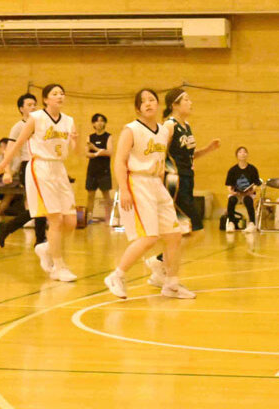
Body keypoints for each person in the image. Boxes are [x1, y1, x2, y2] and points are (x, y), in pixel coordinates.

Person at [104, 89, 195, 300]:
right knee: (149, 237)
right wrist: (123, 189)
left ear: (158, 104)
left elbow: (163, 160)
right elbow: (119, 162)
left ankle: (171, 284)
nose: (148, 103)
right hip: (137, 182)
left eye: (152, 100)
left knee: (174, 235)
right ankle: (117, 276)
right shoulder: (131, 130)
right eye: (143, 101)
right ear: (138, 108)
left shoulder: (163, 131)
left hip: (157, 184)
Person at [0, 84, 79, 282]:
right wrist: (4, 165)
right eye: (55, 94)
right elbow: (17, 144)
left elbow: (75, 151)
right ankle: (58, 266)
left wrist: (76, 141)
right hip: (40, 167)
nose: (60, 96)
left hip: (59, 168)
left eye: (62, 93)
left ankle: (46, 248)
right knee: (55, 219)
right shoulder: (36, 118)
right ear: (46, 99)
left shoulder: (69, 121)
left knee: (71, 222)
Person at [145, 87, 220, 287]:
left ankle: (161, 268)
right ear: (174, 105)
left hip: (186, 180)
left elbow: (188, 156)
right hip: (174, 183)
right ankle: (161, 263)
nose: (190, 102)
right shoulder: (169, 126)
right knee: (197, 231)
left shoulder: (186, 126)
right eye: (186, 99)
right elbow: (158, 152)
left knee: (182, 233)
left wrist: (208, 149)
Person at [0, 93, 47, 248]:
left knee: (41, 205)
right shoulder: (18, 127)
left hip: (44, 165)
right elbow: (9, 150)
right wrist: (7, 171)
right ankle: (39, 239)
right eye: (29, 105)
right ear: (21, 109)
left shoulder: (42, 124)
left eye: (35, 104)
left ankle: (12, 229)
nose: (33, 107)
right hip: (28, 166)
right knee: (40, 204)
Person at [84, 113, 114, 222]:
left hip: (104, 170)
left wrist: (95, 149)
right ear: (93, 124)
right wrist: (99, 153)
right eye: (97, 121)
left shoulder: (108, 136)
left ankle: (109, 218)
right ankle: (89, 218)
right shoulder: (90, 137)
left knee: (106, 195)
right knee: (90, 195)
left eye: (102, 120)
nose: (99, 123)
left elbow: (109, 152)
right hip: (92, 170)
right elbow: (87, 154)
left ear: (105, 123)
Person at [224, 146, 260, 232]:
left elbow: (256, 183)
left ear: (247, 155)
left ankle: (252, 223)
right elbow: (229, 185)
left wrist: (252, 190)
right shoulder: (232, 170)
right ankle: (231, 223)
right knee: (231, 200)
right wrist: (232, 192)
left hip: (248, 193)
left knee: (248, 200)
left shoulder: (252, 169)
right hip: (237, 194)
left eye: (244, 152)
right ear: (237, 155)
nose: (242, 154)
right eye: (240, 152)